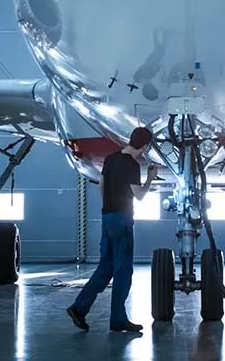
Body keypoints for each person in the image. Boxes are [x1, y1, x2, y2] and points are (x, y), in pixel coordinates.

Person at [66, 126, 158, 332]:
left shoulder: (111, 158)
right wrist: (151, 176)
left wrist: (110, 206)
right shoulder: (132, 165)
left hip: (107, 217)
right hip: (122, 220)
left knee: (105, 267)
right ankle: (118, 319)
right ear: (145, 146)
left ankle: (79, 307)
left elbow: (101, 185)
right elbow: (140, 195)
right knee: (123, 271)